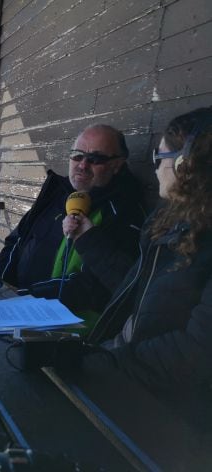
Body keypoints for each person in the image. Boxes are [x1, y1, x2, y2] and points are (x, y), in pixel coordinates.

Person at [78, 107, 212, 430]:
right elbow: (131, 290)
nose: (156, 169)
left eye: (160, 158)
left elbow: (196, 352)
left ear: (185, 164)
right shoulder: (169, 224)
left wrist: (104, 365)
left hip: (169, 418)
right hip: (128, 375)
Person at [0, 124, 146, 325]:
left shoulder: (127, 212)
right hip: (16, 311)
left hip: (67, 331)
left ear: (117, 165)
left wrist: (27, 298)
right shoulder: (57, 193)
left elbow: (97, 287)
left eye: (95, 159)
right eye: (77, 156)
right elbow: (17, 241)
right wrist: (0, 290)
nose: (83, 165)